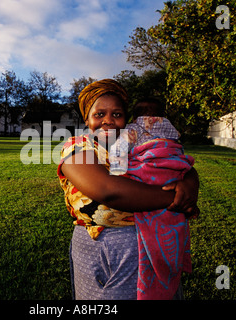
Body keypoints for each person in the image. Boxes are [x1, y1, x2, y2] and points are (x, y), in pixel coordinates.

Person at [57, 79, 199, 300]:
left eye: (116, 114)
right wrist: (177, 198)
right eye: (99, 114)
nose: (108, 121)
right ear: (87, 118)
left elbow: (178, 163)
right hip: (102, 253)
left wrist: (190, 184)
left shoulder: (136, 142)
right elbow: (107, 190)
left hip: (150, 247)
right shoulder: (77, 147)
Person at [109, 98, 198, 299]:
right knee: (172, 220)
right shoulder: (170, 127)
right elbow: (177, 148)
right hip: (172, 171)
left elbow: (118, 152)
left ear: (134, 115)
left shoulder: (131, 129)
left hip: (149, 170)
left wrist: (117, 170)